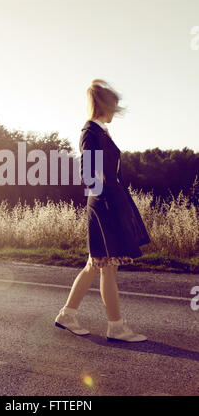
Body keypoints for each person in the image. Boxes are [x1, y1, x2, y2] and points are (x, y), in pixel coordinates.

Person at [54, 79, 151, 342]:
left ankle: (68, 314)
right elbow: (89, 174)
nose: (115, 113)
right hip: (104, 206)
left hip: (106, 203)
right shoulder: (91, 133)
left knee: (94, 264)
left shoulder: (100, 132)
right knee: (108, 266)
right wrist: (108, 199)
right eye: (114, 108)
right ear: (106, 107)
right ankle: (116, 327)